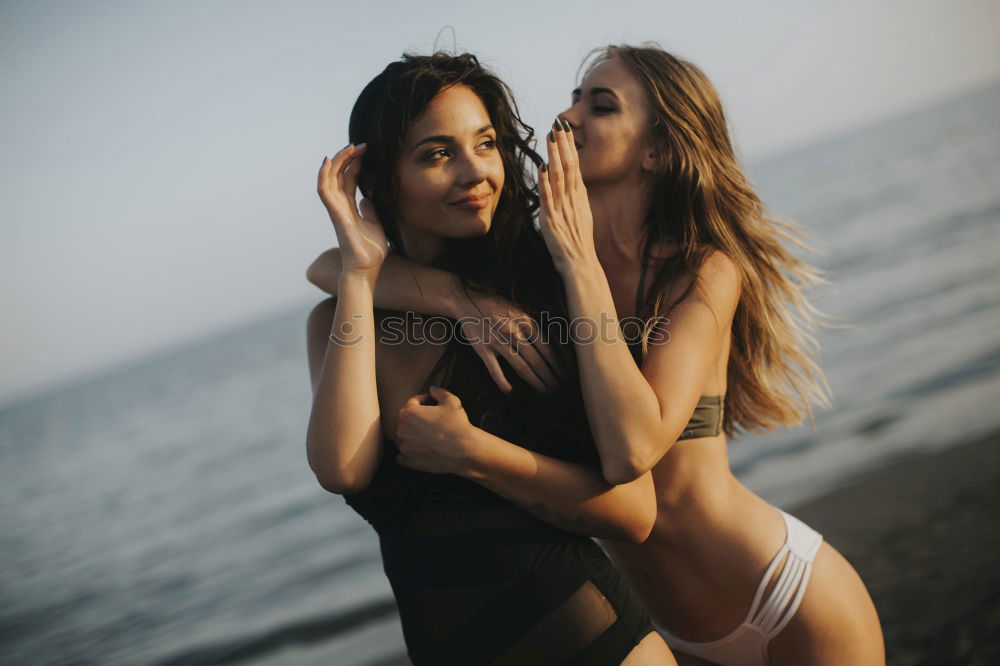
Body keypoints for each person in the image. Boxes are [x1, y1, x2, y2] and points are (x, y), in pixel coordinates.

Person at [307, 44, 885, 666]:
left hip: (773, 592)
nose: (570, 116)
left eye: (600, 105)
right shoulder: (534, 268)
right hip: (648, 614)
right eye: (576, 96)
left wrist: (572, 266)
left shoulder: (691, 272)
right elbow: (329, 268)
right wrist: (452, 296)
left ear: (658, 150)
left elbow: (633, 458)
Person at [305, 52, 674, 665]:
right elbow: (342, 467)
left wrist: (472, 454)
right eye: (436, 154)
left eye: (485, 143)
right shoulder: (343, 319)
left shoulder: (546, 299)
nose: (475, 171)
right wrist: (360, 274)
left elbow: (635, 512)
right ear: (379, 180)